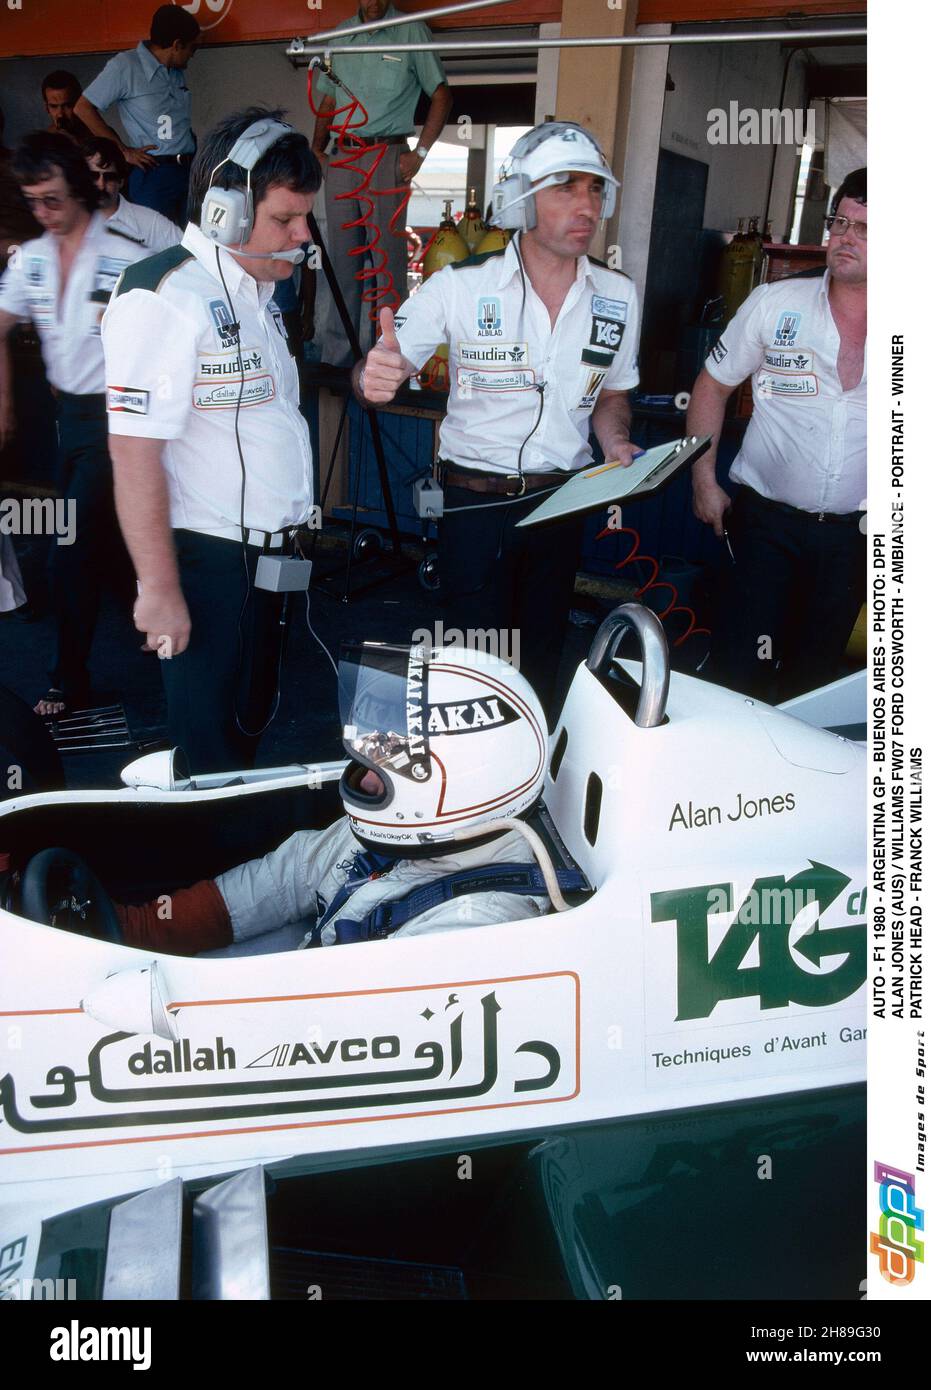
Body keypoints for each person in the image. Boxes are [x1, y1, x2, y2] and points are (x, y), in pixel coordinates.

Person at [355, 121, 641, 715]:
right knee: (472, 667)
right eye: (565, 188)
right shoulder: (459, 288)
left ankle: (525, 791)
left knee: (540, 660)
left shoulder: (618, 295)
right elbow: (380, 367)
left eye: (594, 189)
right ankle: (464, 791)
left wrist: (616, 442)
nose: (586, 205)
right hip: (475, 506)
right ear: (520, 199)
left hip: (563, 503)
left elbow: (614, 393)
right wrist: (373, 376)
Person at [101, 107, 319, 775]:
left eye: (303, 218)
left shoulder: (259, 293)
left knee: (250, 733)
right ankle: (200, 876)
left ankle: (243, 871)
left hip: (273, 561)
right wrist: (158, 589)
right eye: (285, 219)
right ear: (223, 211)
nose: (301, 236)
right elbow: (133, 453)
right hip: (209, 563)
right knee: (210, 755)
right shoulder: (163, 293)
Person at [112, 643, 571, 956]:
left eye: (386, 764)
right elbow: (286, 875)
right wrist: (141, 927)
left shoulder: (472, 931)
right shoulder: (409, 835)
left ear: (453, 787)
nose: (363, 776)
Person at [688, 167, 867, 703]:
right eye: (841, 221)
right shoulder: (775, 304)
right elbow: (710, 387)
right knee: (740, 673)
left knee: (814, 681)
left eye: (867, 227)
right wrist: (703, 479)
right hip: (766, 527)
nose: (846, 236)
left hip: (854, 541)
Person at [0, 133, 152, 717]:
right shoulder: (32, 258)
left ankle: (68, 681)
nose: (43, 212)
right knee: (103, 543)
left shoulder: (126, 257)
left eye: (53, 199)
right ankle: (155, 617)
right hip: (69, 416)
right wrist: (6, 401)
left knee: (67, 549)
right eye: (33, 201)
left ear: (82, 193)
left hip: (116, 420)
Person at [311, 0, 452, 365]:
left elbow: (441, 94)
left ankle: (387, 359)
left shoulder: (412, 30)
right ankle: (338, 362)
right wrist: (316, 149)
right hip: (342, 157)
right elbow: (327, 98)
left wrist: (419, 153)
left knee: (385, 268)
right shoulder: (341, 34)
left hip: (386, 156)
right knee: (343, 264)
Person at [75, 4, 200, 225]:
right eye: (192, 48)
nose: (192, 55)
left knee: (188, 245)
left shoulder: (175, 71)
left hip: (187, 171)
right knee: (154, 247)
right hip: (153, 172)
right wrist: (123, 151)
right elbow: (83, 107)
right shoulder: (125, 66)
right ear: (176, 45)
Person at [83, 137, 181, 252]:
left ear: (121, 181)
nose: (101, 185)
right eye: (93, 176)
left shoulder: (151, 222)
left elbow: (189, 257)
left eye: (109, 177)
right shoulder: (67, 221)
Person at [41, 71, 92, 144]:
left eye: (68, 105)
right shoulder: (42, 143)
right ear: (47, 108)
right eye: (54, 106)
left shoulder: (100, 135)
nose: (60, 114)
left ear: (79, 103)